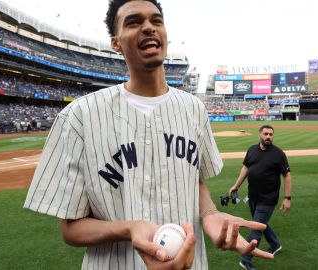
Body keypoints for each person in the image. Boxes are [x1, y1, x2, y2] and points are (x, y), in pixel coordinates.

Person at [24, 1, 273, 269]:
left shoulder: (194, 109)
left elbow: (194, 180)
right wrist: (128, 228)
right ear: (116, 42)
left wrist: (210, 214)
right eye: (134, 22)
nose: (148, 27)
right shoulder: (79, 116)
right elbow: (71, 230)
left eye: (156, 21)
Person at [229, 125, 292, 270]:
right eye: (265, 134)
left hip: (268, 198)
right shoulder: (251, 150)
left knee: (256, 228)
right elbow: (245, 168)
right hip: (253, 197)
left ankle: (245, 259)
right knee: (260, 223)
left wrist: (287, 198)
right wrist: (236, 186)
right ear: (259, 135)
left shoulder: (278, 154)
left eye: (271, 134)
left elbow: (287, 175)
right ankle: (275, 244)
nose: (268, 137)